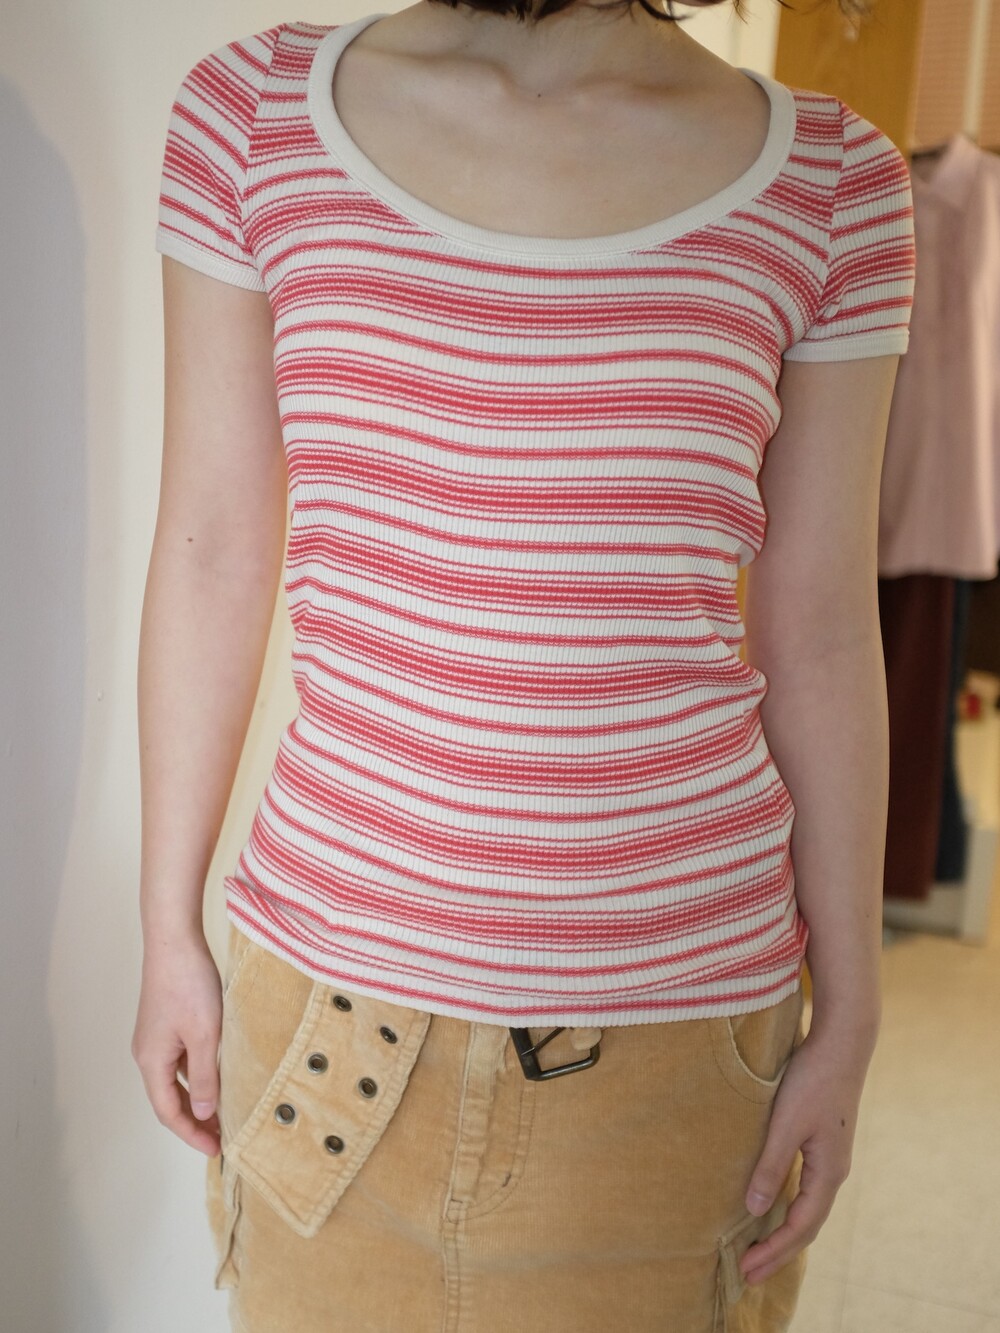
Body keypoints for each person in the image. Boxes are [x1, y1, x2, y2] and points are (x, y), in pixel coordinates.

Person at [131, 0, 915, 1328]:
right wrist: (167, 930)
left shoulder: (834, 184)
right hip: (327, 1025)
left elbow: (826, 629)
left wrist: (852, 1009)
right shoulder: (254, 115)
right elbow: (211, 549)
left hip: (676, 1055)